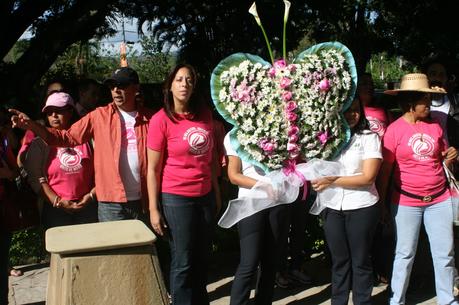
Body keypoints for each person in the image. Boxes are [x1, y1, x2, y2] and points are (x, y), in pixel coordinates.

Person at [10, 67, 153, 222]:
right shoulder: (98, 116)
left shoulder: (152, 119)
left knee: (144, 246)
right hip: (111, 202)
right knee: (111, 247)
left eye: (122, 85)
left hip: (145, 199)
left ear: (136, 87)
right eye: (112, 86)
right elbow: (66, 137)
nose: (116, 90)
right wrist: (32, 125)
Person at [379, 73, 458, 305]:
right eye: (424, 99)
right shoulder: (394, 131)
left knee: (445, 254)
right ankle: (397, 300)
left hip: (439, 199)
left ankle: (447, 299)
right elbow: (386, 171)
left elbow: (442, 157)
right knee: (404, 255)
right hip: (406, 202)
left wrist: (451, 155)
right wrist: (383, 204)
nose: (429, 104)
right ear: (410, 104)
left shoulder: (435, 126)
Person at [147, 64, 221, 305]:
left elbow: (209, 159)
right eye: (179, 80)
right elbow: (153, 169)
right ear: (169, 86)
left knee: (202, 258)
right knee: (183, 260)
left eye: (189, 80)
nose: (184, 84)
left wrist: (216, 193)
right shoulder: (160, 121)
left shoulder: (205, 115)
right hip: (177, 198)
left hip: (206, 196)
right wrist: (154, 209)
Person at [311, 97, 382, 305]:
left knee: (360, 261)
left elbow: (368, 177)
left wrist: (332, 180)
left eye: (356, 110)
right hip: (332, 207)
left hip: (361, 206)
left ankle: (362, 301)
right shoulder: (326, 138)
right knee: (339, 261)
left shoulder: (369, 138)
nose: (353, 114)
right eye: (347, 110)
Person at [224, 131, 290, 305]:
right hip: (250, 205)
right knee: (249, 262)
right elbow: (233, 175)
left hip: (277, 202)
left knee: (271, 262)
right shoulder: (234, 135)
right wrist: (262, 186)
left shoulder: (278, 129)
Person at [23, 92, 97, 228]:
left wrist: (91, 196)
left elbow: (101, 172)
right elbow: (35, 177)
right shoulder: (39, 143)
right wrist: (57, 200)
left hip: (88, 206)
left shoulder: (89, 139)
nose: (54, 116)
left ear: (70, 111)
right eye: (49, 112)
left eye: (59, 111)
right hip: (55, 209)